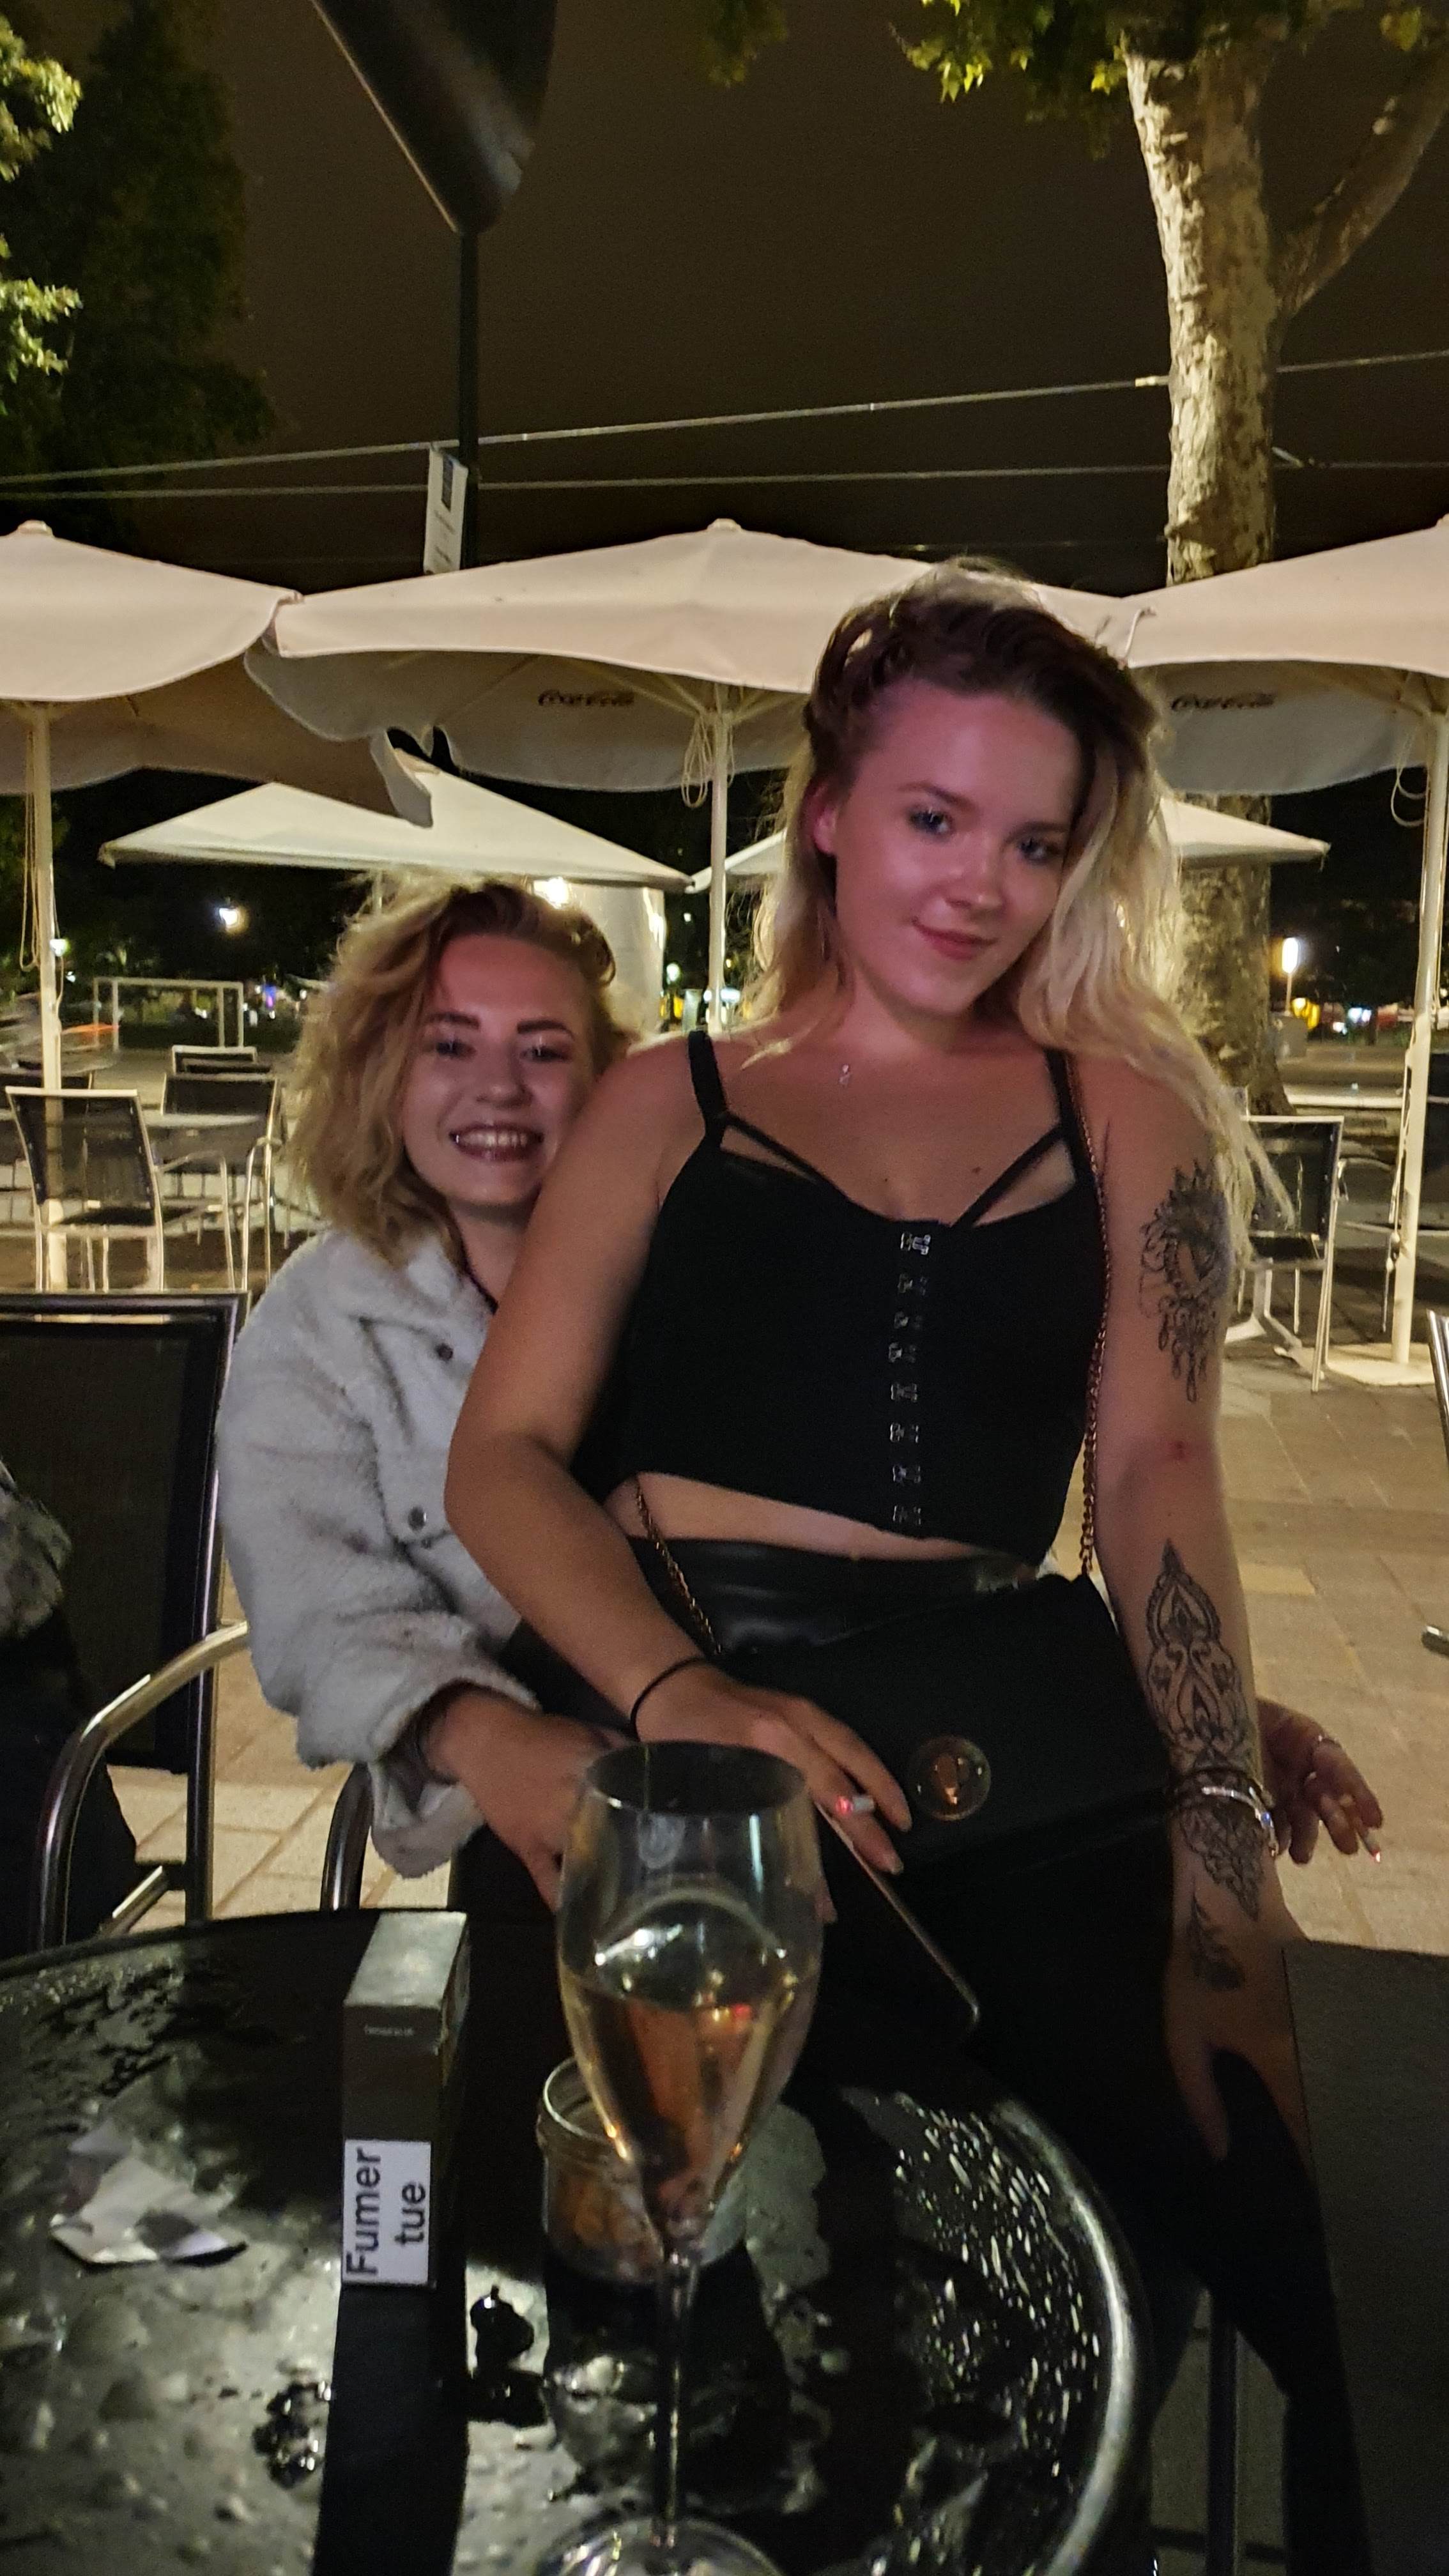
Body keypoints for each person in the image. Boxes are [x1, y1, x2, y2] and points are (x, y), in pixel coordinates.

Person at [443, 572, 1379, 2570]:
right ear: (828, 814)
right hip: (676, 1722)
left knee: (1266, 2239)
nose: (980, 883)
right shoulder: (668, 1097)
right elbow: (501, 1461)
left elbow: (1154, 1474)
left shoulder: (1123, 1119)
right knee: (713, 2302)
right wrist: (686, 1703)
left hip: (1004, 1737)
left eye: (1035, 841)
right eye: (935, 816)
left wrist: (1221, 1842)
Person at [217, 880, 634, 1896]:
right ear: (385, 1077)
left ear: (609, 1085)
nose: (498, 1088)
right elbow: (318, 1602)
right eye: (449, 1046)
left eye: (543, 1051)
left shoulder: (690, 1270)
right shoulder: (318, 1325)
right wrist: (479, 1734)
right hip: (525, 1807)